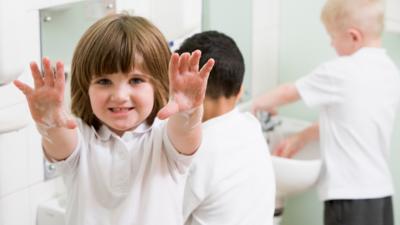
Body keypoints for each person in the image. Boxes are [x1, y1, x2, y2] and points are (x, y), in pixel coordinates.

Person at [13, 14, 214, 225]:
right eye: (104, 81)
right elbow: (60, 142)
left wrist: (188, 112)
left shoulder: (164, 138)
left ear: (158, 85)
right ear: (85, 87)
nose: (119, 95)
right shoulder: (81, 138)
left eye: (136, 80)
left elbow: (185, 133)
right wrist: (51, 123)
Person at [251, 0, 400, 224]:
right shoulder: (389, 71)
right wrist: (302, 137)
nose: (331, 44)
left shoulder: (340, 71)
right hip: (381, 194)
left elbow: (289, 92)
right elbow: (351, 121)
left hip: (349, 197)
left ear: (353, 36)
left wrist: (257, 104)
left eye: (332, 36)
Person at [176, 31, 275, 225]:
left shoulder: (194, 153)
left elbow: (161, 214)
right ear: (239, 91)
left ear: (188, 89)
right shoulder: (250, 127)